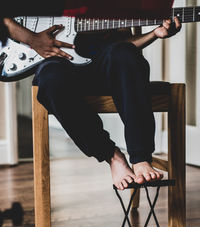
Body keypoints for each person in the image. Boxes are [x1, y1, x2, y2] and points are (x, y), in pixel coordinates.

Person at [3, 15, 181, 190]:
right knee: (51, 81)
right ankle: (111, 155)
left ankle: (141, 158)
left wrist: (153, 34)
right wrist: (33, 39)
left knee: (126, 54)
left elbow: (124, 42)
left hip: (105, 61)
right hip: (58, 63)